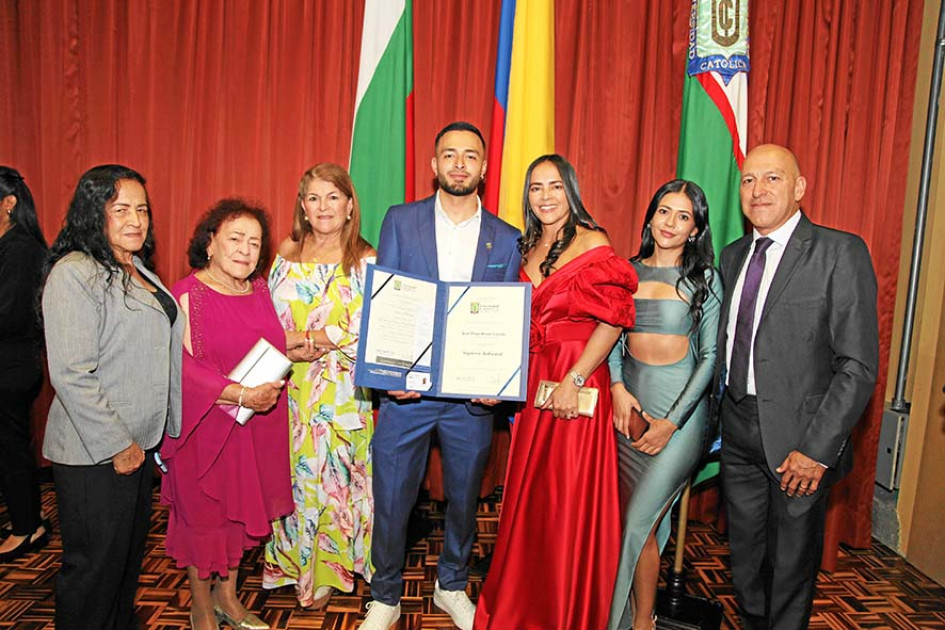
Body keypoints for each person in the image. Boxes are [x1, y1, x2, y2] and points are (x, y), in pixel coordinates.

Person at [361, 121, 521, 630]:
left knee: (466, 495)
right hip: (406, 392)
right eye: (449, 154)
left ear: (484, 167)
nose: (459, 163)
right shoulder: (400, 221)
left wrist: (498, 380)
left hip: (472, 399)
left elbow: (509, 316)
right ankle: (385, 595)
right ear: (433, 165)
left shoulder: (508, 236)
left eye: (470, 155)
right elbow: (387, 301)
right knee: (391, 494)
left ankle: (451, 583)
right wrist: (388, 374)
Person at [717, 144, 878, 630]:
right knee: (745, 562)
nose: (758, 190)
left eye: (772, 179)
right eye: (748, 180)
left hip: (800, 442)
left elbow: (857, 365)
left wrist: (817, 448)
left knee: (790, 570)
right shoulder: (732, 255)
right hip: (737, 430)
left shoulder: (839, 252)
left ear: (800, 187)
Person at [474, 154, 637, 630]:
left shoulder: (593, 241)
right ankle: (525, 604)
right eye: (535, 188)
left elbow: (613, 320)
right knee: (533, 501)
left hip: (576, 380)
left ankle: (564, 611)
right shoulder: (523, 249)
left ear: (571, 191)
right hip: (533, 386)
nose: (545, 196)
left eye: (555, 186)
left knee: (568, 498)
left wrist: (576, 378)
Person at [160, 199, 318, 630]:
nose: (246, 250)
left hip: (254, 427)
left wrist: (295, 345)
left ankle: (228, 599)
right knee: (204, 521)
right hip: (205, 428)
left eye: (254, 242)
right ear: (209, 243)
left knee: (236, 521)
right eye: (235, 239)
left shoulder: (260, 289)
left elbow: (257, 341)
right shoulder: (186, 294)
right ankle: (201, 606)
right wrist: (239, 394)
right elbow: (180, 365)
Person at [42, 165, 183, 630]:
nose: (135, 220)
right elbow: (71, 373)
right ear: (92, 212)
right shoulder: (76, 273)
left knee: (123, 567)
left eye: (142, 209)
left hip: (138, 447)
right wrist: (118, 444)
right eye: (120, 208)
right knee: (92, 571)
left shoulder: (137, 268)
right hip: (95, 453)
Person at [606, 180, 721, 630]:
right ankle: (640, 615)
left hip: (680, 416)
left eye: (683, 216)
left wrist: (672, 422)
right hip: (629, 408)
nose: (670, 223)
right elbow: (612, 335)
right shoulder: (627, 272)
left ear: (695, 229)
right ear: (650, 217)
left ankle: (638, 624)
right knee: (639, 526)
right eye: (663, 212)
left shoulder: (705, 279)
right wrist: (616, 386)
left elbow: (711, 359)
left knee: (637, 522)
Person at [262, 164, 376, 609]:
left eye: (333, 197)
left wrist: (317, 339)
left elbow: (373, 326)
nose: (323, 207)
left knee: (334, 477)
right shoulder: (287, 251)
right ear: (303, 206)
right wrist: (287, 342)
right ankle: (292, 563)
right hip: (287, 385)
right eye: (313, 198)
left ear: (350, 205)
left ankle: (329, 567)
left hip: (342, 390)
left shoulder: (366, 258)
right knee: (291, 475)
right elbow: (264, 314)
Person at [0, 167, 49, 563]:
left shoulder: (21, 248)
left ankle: (26, 526)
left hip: (12, 365)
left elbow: (12, 315)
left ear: (9, 203)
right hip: (10, 361)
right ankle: (26, 518)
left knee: (11, 447)